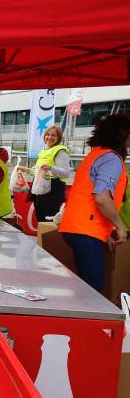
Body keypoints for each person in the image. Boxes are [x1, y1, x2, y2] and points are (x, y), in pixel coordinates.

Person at [59, 114, 129, 292]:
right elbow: (101, 197)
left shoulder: (95, 155)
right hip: (86, 230)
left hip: (77, 227)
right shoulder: (112, 159)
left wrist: (104, 233)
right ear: (124, 136)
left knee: (88, 287)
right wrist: (119, 226)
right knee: (93, 291)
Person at [31, 125, 71, 222]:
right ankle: (41, 237)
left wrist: (51, 168)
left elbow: (66, 173)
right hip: (40, 189)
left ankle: (48, 237)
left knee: (49, 222)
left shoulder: (60, 151)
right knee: (41, 220)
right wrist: (27, 170)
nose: (49, 137)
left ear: (59, 138)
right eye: (48, 134)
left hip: (53, 190)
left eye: (53, 135)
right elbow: (39, 171)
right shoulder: (43, 151)